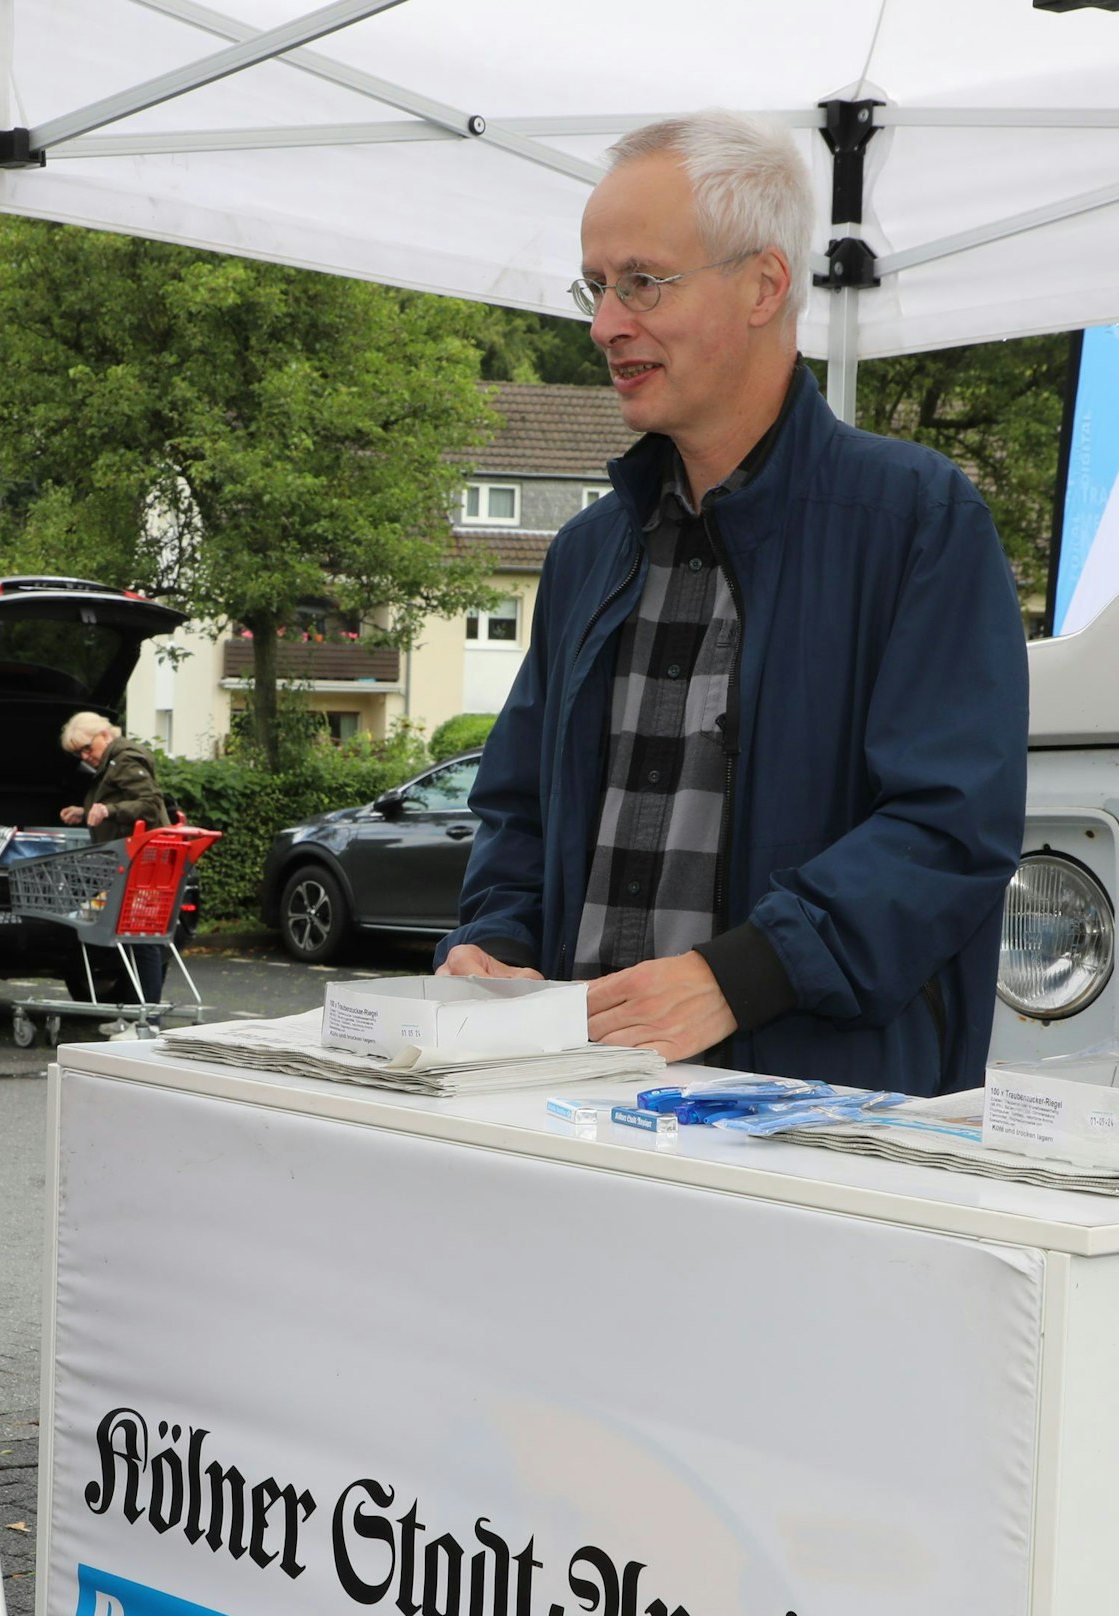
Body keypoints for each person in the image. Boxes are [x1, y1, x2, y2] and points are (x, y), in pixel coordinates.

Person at [437, 110, 1027, 1096]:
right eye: (595, 286)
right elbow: (515, 809)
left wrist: (742, 975)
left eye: (641, 281)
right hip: (573, 1109)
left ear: (762, 285)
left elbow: (947, 827)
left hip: (816, 1127)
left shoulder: (914, 518)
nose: (602, 324)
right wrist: (493, 939)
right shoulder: (588, 552)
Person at [58, 711, 171, 1003]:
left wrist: (108, 811)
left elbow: (149, 804)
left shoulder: (125, 759)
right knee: (138, 937)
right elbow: (125, 802)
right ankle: (137, 1015)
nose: (86, 756)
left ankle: (146, 1018)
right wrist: (85, 813)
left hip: (143, 861)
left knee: (141, 938)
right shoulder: (113, 761)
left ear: (105, 735)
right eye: (79, 753)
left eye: (87, 747)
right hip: (138, 860)